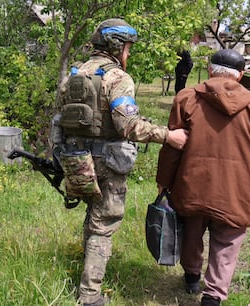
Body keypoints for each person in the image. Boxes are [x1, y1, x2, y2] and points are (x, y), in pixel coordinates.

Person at [53, 18, 188, 306]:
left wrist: (61, 154)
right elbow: (129, 126)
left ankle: (87, 275)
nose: (128, 53)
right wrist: (169, 136)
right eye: (127, 47)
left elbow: (58, 121)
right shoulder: (117, 78)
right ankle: (89, 295)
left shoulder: (74, 75)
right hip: (108, 162)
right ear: (117, 46)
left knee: (93, 217)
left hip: (77, 160)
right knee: (104, 223)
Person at [156, 49, 250, 306]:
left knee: (191, 230)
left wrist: (164, 179)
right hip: (238, 190)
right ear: (241, 75)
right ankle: (213, 295)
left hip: (192, 183)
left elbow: (172, 146)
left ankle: (191, 276)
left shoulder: (186, 98)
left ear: (210, 71)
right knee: (227, 241)